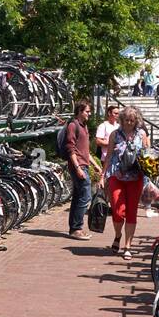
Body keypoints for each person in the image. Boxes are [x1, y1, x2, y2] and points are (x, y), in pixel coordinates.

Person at [101, 105, 149, 260]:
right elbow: (108, 156)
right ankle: (117, 235)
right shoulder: (115, 134)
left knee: (131, 212)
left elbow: (148, 155)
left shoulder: (141, 134)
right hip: (117, 175)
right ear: (121, 120)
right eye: (126, 120)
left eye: (132, 120)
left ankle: (128, 246)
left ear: (136, 121)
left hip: (136, 177)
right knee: (117, 209)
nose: (129, 123)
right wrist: (103, 176)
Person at [65, 97, 93, 241]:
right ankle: (77, 228)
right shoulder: (73, 125)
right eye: (87, 111)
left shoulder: (84, 126)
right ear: (80, 111)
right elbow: (70, 149)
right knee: (85, 196)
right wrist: (77, 168)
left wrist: (94, 164)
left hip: (84, 164)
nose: (89, 114)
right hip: (79, 166)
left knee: (78, 197)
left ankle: (74, 228)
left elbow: (85, 150)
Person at [94, 102, 120, 167]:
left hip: (118, 158)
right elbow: (98, 141)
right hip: (106, 158)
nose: (117, 115)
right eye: (115, 113)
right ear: (109, 113)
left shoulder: (119, 126)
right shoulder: (103, 126)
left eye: (118, 114)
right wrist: (111, 144)